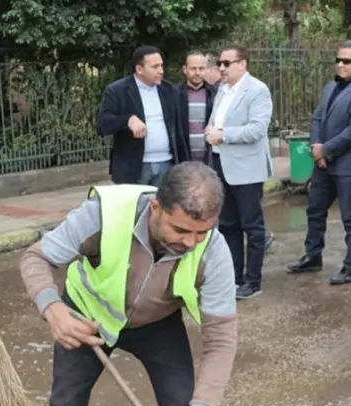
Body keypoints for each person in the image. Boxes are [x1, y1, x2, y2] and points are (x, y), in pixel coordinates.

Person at [1, 162, 240, 406]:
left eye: (202, 232)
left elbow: (221, 340)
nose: (191, 242)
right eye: (181, 230)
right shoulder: (104, 213)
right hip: (86, 316)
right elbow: (35, 258)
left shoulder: (212, 249)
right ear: (156, 209)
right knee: (64, 405)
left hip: (157, 323)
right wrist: (52, 308)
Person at [288, 42, 351, 285]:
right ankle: (313, 256)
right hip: (322, 162)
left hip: (348, 165)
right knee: (315, 210)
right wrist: (316, 145)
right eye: (338, 60)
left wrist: (326, 149)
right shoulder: (331, 86)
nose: (341, 65)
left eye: (347, 61)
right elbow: (317, 117)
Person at [207, 45, 274, 300]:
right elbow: (217, 121)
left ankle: (253, 281)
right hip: (222, 164)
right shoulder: (223, 90)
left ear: (242, 64)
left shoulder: (257, 90)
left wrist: (222, 136)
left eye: (226, 63)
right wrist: (211, 130)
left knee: (252, 226)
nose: (221, 68)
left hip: (247, 169)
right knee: (227, 225)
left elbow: (257, 129)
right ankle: (234, 278)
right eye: (220, 63)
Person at [96, 45, 187, 186]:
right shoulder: (118, 90)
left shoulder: (169, 90)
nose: (161, 71)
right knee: (135, 208)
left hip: (167, 164)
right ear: (139, 69)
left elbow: (179, 128)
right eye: (155, 67)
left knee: (164, 208)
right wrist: (128, 120)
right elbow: (103, 124)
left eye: (161, 66)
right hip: (133, 167)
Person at [177, 50, 217, 164]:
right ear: (185, 70)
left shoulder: (215, 94)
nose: (197, 72)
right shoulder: (175, 94)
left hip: (209, 160)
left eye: (201, 68)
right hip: (183, 160)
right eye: (193, 68)